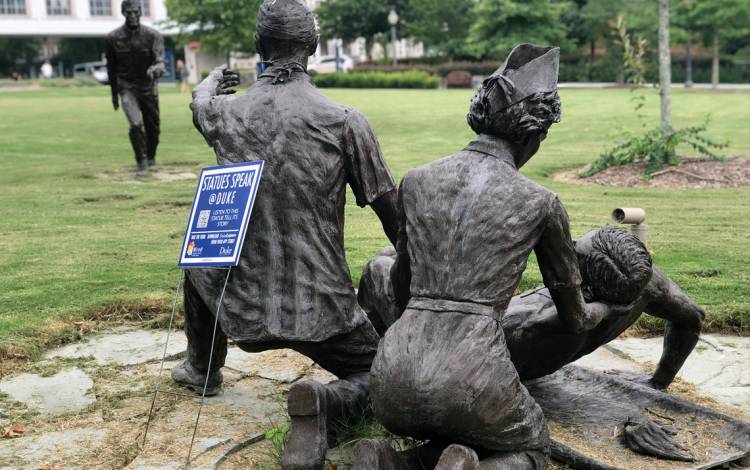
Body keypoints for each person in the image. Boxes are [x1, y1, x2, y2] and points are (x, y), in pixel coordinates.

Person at [366, 45, 632, 470]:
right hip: (474, 376)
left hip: (392, 379)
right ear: (533, 134)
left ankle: (396, 463)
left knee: (465, 422)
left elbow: (399, 288)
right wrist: (610, 307)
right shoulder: (541, 202)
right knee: (532, 448)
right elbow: (575, 319)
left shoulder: (416, 180)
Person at [172, 1, 400, 468]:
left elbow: (200, 107)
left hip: (240, 310)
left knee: (198, 260)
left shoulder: (224, 115)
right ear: (312, 48)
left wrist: (206, 85)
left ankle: (202, 367)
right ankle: (329, 401)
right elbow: (392, 216)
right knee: (386, 378)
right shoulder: (344, 120)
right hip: (325, 314)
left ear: (260, 47)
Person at [360, 227, 705, 391]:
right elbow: (692, 319)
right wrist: (658, 382)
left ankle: (364, 362)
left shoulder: (532, 320)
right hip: (527, 353)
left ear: (583, 283)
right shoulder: (640, 284)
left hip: (474, 359)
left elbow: (449, 343)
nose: (566, 248)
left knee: (379, 266)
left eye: (573, 252)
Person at [105, 0, 165, 175]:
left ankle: (152, 157)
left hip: (148, 87)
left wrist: (156, 69)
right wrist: (114, 96)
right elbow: (111, 69)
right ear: (123, 13)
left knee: (153, 126)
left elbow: (160, 61)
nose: (132, 15)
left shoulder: (153, 35)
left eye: (135, 12)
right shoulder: (112, 38)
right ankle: (142, 161)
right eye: (129, 12)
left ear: (140, 12)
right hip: (127, 87)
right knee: (136, 123)